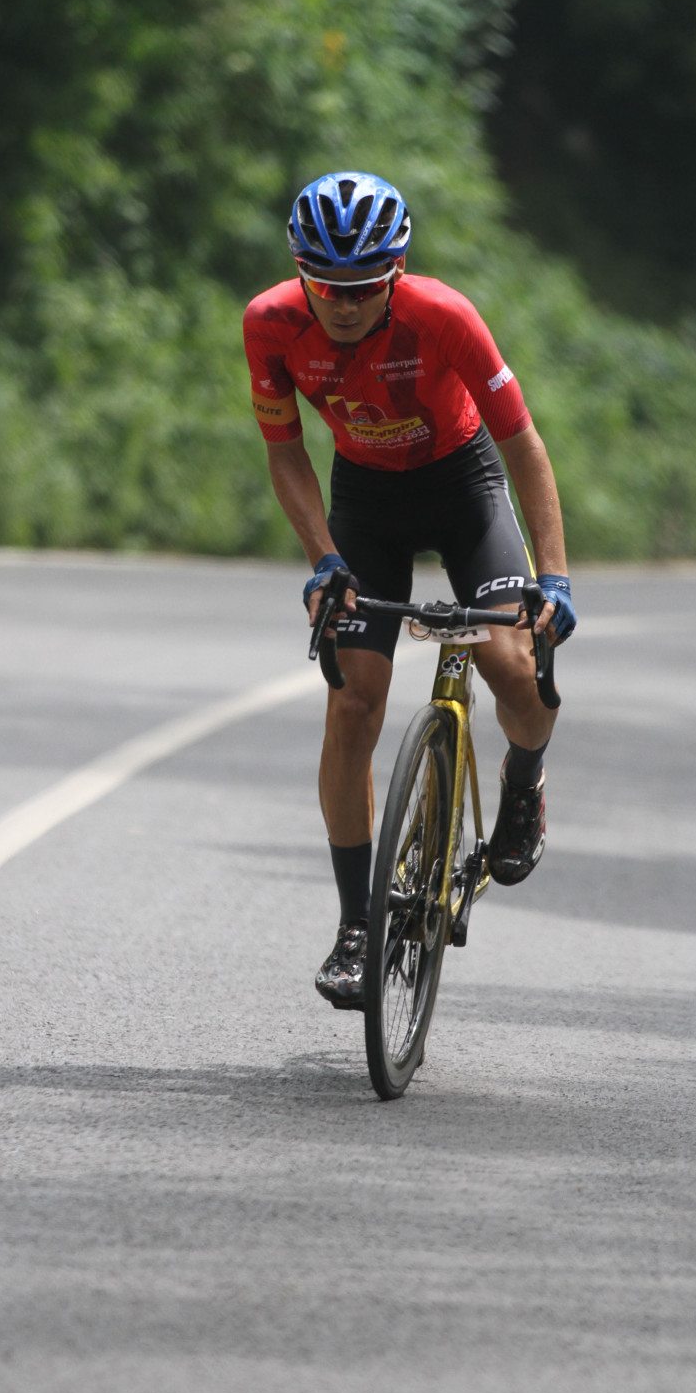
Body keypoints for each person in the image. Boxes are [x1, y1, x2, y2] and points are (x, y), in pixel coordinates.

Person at [243, 170, 575, 1010]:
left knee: (512, 665)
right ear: (300, 272)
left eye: (363, 287)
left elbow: (524, 444)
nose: (344, 304)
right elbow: (285, 450)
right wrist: (324, 561)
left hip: (464, 487)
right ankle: (358, 927)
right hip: (366, 501)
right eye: (327, 286)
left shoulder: (444, 316)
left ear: (395, 274)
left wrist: (555, 576)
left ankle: (525, 783)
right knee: (353, 703)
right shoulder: (271, 324)